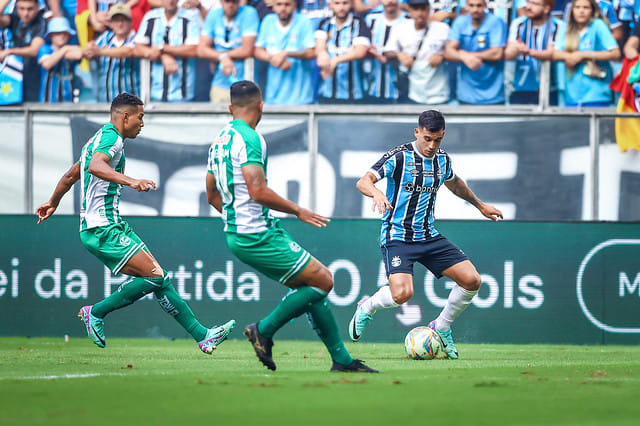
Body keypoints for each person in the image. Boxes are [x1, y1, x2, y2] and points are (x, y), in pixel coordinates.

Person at [36, 93, 235, 354]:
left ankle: (203, 336)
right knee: (154, 276)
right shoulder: (112, 139)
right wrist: (131, 181)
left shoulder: (96, 139)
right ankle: (95, 312)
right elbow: (95, 166)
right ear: (125, 116)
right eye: (140, 118)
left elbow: (72, 174)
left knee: (160, 279)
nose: (142, 123)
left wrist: (53, 202)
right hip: (102, 227)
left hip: (110, 225)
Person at [205, 80, 378, 373]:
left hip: (240, 232)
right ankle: (263, 329)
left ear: (230, 107)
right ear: (261, 106)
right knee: (324, 280)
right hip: (256, 234)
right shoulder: (250, 138)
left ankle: (342, 360)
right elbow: (257, 191)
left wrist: (235, 218)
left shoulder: (219, 140)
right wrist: (298, 210)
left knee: (311, 288)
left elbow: (211, 194)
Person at [349, 110, 503, 359]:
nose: (432, 146)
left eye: (438, 140)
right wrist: (376, 192)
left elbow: (454, 183)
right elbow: (363, 181)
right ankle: (368, 306)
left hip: (429, 236)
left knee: (472, 280)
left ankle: (441, 327)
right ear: (417, 132)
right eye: (428, 139)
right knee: (402, 294)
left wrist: (481, 205)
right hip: (397, 236)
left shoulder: (442, 160)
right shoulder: (399, 157)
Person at [553, 0, 620, 106]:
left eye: (585, 8)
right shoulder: (566, 27)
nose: (581, 11)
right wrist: (570, 57)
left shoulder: (598, 25)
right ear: (572, 10)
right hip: (572, 94)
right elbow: (555, 53)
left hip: (597, 93)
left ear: (592, 10)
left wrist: (583, 55)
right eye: (577, 7)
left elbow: (615, 53)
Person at [383, 0, 449, 104]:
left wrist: (443, 56)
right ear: (409, 10)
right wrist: (399, 55)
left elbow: (455, 51)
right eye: (416, 9)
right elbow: (387, 51)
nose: (420, 13)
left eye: (423, 9)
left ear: (429, 10)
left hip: (438, 91)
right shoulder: (401, 28)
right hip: (412, 91)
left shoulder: (442, 28)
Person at [133, 0, 200, 102]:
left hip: (183, 93)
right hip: (154, 93)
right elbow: (137, 49)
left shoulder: (189, 18)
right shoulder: (151, 17)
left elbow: (194, 49)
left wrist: (163, 48)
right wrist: (163, 56)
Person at [254, 0, 316, 105]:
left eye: (287, 4)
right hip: (273, 96)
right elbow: (257, 50)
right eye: (279, 4)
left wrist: (287, 53)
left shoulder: (304, 21)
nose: (283, 8)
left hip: (301, 97)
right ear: (273, 6)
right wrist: (274, 59)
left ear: (295, 5)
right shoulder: (268, 21)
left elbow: (312, 52)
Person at [445, 0, 506, 104]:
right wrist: (464, 57)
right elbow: (448, 52)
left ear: (485, 5)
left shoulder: (496, 22)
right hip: (466, 94)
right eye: (471, 5)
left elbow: (497, 53)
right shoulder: (460, 22)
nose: (475, 9)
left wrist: (467, 56)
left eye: (479, 5)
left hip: (493, 93)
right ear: (466, 6)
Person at [197, 0, 259, 104]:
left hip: (246, 84)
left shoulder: (249, 13)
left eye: (234, 2)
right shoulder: (214, 14)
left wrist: (223, 56)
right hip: (219, 83)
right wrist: (222, 57)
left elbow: (247, 50)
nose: (230, 5)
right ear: (221, 2)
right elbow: (201, 50)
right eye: (227, 1)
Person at [505, 0, 566, 104]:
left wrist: (529, 52)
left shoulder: (558, 25)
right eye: (528, 2)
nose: (528, 7)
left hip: (551, 88)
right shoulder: (518, 23)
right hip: (521, 87)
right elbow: (508, 54)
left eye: (535, 4)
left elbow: (552, 53)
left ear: (546, 8)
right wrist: (516, 49)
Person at [315, 0, 371, 103]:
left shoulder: (359, 24)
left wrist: (336, 60)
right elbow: (320, 48)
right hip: (327, 92)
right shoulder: (324, 24)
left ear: (351, 4)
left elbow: (360, 51)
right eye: (337, 3)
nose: (341, 7)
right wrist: (322, 57)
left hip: (355, 93)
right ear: (330, 5)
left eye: (345, 3)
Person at [84, 3, 139, 101]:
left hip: (130, 104)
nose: (120, 24)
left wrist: (99, 51)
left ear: (131, 22)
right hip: (105, 100)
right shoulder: (106, 37)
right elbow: (91, 49)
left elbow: (128, 51)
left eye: (124, 20)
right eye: (116, 20)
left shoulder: (137, 38)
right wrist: (90, 47)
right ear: (111, 23)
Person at [0, 0, 46, 102]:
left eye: (30, 9)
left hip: (33, 75)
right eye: (22, 9)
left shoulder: (42, 23)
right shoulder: (14, 20)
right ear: (16, 8)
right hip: (13, 75)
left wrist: (9, 52)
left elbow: (34, 50)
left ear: (37, 7)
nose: (25, 13)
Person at [363, 0, 405, 103]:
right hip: (371, 85)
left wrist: (391, 57)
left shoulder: (408, 20)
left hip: (400, 88)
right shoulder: (371, 19)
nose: (390, 1)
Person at [37, 17, 83, 102]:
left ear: (69, 35)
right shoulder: (45, 49)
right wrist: (65, 49)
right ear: (50, 36)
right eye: (58, 33)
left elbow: (79, 54)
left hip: (68, 101)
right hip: (47, 101)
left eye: (65, 33)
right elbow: (47, 64)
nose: (62, 36)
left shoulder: (71, 48)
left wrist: (61, 53)